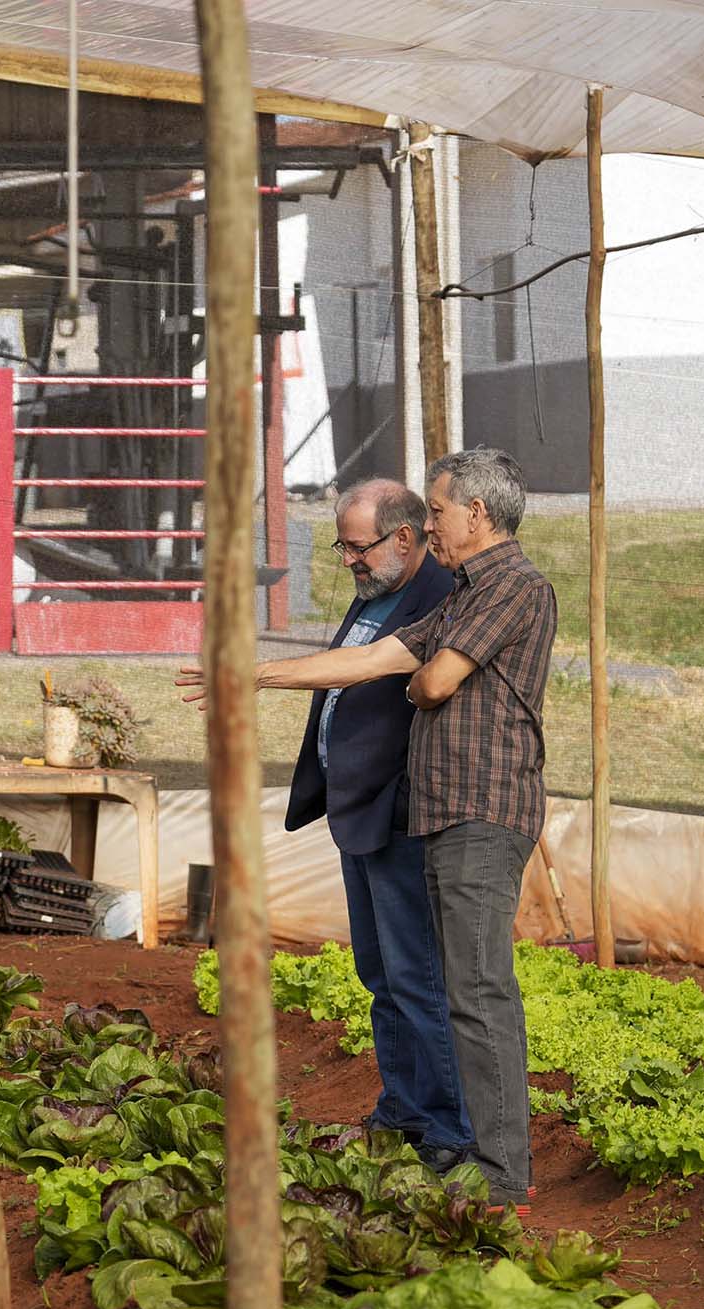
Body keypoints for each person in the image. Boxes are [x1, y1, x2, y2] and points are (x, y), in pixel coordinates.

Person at [183, 446, 553, 1210]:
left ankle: (494, 1165)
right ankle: (458, 1143)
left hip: (483, 811)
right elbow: (371, 660)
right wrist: (246, 673)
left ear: (476, 515)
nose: (433, 523)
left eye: (441, 512)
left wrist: (420, 683)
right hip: (444, 812)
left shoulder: (514, 585)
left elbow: (434, 678)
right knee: (446, 985)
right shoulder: (465, 594)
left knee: (475, 989)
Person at [278, 478, 473, 1170]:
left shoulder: (437, 598)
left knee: (417, 975)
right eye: (342, 545)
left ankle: (451, 1130)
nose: (347, 561)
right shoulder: (378, 595)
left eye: (356, 547)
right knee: (381, 974)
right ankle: (402, 1110)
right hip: (357, 812)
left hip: (399, 816)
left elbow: (394, 681)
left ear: (404, 537)